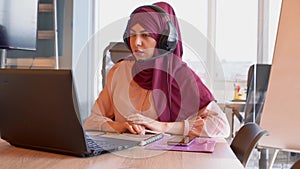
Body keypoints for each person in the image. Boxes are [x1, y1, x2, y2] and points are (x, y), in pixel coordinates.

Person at [84, 2, 230, 138]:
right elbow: (92, 121)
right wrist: (120, 126)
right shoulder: (118, 71)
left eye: (145, 35)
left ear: (163, 40)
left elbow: (221, 126)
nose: (137, 42)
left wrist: (162, 126)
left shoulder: (182, 76)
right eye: (132, 35)